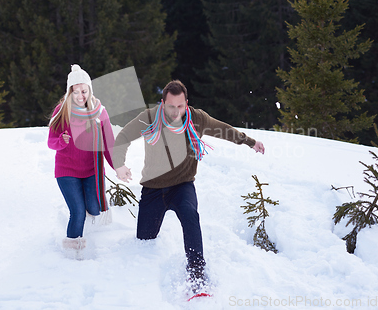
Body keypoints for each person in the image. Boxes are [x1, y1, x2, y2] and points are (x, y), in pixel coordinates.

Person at [113, 80, 265, 292]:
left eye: (180, 106)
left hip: (182, 185)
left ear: (187, 103)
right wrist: (119, 165)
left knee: (190, 215)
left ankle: (197, 272)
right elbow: (122, 137)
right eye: (170, 106)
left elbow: (223, 129)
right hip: (153, 189)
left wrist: (249, 141)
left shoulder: (197, 118)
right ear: (162, 103)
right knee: (144, 239)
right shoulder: (149, 118)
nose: (176, 112)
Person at [48, 64, 115, 253]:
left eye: (83, 91)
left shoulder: (100, 112)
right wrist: (61, 141)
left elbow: (109, 144)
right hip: (67, 170)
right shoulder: (62, 111)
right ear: (70, 93)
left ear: (89, 89)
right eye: (75, 92)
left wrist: (119, 166)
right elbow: (51, 142)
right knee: (77, 212)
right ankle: (72, 252)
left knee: (94, 208)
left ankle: (90, 205)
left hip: (92, 170)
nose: (80, 96)